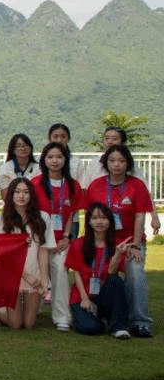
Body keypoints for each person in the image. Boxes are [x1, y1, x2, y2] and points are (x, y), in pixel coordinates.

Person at [85, 144, 154, 337]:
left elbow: (140, 216)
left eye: (121, 161)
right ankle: (99, 314)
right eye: (112, 160)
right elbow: (89, 217)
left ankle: (140, 322)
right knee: (98, 273)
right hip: (103, 242)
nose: (117, 164)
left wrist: (136, 246)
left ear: (128, 163)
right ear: (106, 163)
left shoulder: (137, 185)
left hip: (130, 242)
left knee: (135, 271)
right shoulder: (96, 185)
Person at [32, 142, 85, 332]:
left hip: (61, 241)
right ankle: (33, 308)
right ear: (44, 160)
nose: (55, 161)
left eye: (59, 157)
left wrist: (66, 237)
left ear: (65, 160)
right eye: (50, 157)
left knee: (61, 270)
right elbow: (32, 214)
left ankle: (62, 316)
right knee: (35, 271)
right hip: (38, 240)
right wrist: (44, 241)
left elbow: (71, 215)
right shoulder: (35, 183)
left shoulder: (73, 185)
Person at [66, 203, 135, 339]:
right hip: (83, 296)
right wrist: (84, 298)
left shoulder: (117, 244)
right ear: (89, 222)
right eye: (95, 218)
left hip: (103, 294)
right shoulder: (78, 243)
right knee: (90, 328)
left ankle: (119, 327)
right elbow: (76, 272)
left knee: (116, 280)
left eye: (103, 218)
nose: (99, 222)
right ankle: (95, 320)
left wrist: (117, 254)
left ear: (110, 221)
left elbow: (113, 272)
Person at [0, 178, 54, 330]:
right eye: (17, 192)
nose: (21, 196)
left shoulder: (43, 218)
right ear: (11, 194)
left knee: (29, 324)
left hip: (34, 275)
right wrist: (26, 276)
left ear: (31, 195)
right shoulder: (0, 220)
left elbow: (43, 251)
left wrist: (44, 280)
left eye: (26, 192)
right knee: (16, 324)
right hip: (11, 275)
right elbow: (1, 255)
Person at [0, 133, 39, 201]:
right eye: (19, 146)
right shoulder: (5, 169)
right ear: (13, 149)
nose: (23, 148)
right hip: (13, 204)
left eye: (26, 145)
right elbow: (5, 196)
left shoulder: (39, 168)